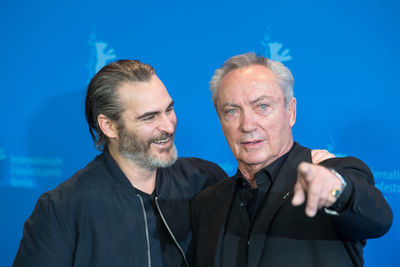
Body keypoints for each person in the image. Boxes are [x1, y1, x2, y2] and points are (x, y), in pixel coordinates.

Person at [13, 59, 332, 267]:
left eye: (168, 109)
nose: (167, 125)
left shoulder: (205, 179)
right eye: (150, 117)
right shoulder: (62, 208)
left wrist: (325, 174)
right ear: (109, 126)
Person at [190, 53, 393, 267]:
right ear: (221, 121)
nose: (247, 125)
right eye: (232, 111)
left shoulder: (329, 172)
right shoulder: (207, 205)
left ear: (291, 112)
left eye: (262, 107)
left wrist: (336, 191)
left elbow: (378, 218)